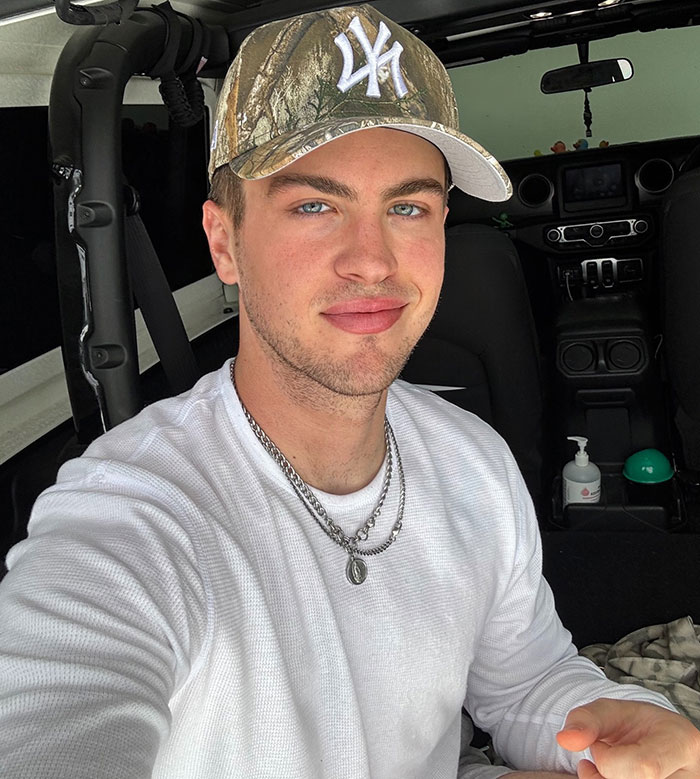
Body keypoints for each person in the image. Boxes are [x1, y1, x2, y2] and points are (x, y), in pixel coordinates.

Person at [1, 4, 699, 778]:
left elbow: (527, 678)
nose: (372, 260)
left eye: (407, 206)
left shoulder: (474, 463)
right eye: (314, 205)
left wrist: (621, 727)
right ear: (224, 241)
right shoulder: (128, 518)